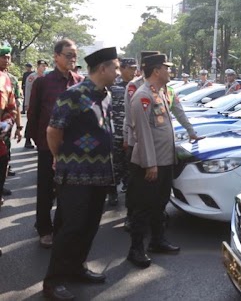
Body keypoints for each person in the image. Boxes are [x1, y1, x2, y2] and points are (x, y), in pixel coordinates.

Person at [42, 47, 120, 300]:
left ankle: (77, 268)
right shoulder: (72, 95)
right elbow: (53, 131)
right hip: (74, 176)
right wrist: (59, 158)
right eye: (116, 67)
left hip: (100, 174)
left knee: (89, 226)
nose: (118, 72)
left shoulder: (106, 96)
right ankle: (53, 281)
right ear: (103, 69)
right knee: (70, 228)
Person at [127, 54, 190, 268]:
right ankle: (136, 249)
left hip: (163, 162)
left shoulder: (160, 93)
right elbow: (143, 133)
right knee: (143, 207)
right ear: (156, 70)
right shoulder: (142, 96)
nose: (170, 71)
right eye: (167, 68)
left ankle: (157, 240)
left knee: (159, 204)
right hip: (150, 164)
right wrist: (150, 164)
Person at [28, 38, 84, 248]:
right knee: (45, 190)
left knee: (68, 190)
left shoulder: (79, 81)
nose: (72, 59)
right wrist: (40, 142)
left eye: (75, 55)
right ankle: (44, 228)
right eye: (68, 55)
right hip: (47, 146)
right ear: (56, 56)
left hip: (73, 148)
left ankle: (62, 227)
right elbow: (33, 114)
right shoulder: (43, 82)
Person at [107, 57, 137, 207]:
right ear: (122, 68)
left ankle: (129, 189)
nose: (134, 71)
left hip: (132, 135)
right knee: (114, 167)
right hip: (116, 134)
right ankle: (112, 193)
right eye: (131, 68)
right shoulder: (113, 87)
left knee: (131, 167)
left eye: (135, 68)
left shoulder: (138, 86)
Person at [0, 48, 22, 198]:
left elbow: (13, 107)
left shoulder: (9, 79)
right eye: (3, 57)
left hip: (2, 131)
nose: (6, 60)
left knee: (3, 159)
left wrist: (14, 126)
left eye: (8, 57)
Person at [23, 59, 49, 149]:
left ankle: (39, 142)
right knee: (31, 121)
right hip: (32, 103)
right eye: (42, 66)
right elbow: (27, 91)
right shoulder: (32, 77)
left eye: (45, 66)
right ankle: (27, 140)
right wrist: (27, 104)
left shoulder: (46, 77)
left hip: (42, 104)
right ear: (37, 66)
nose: (44, 67)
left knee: (41, 123)